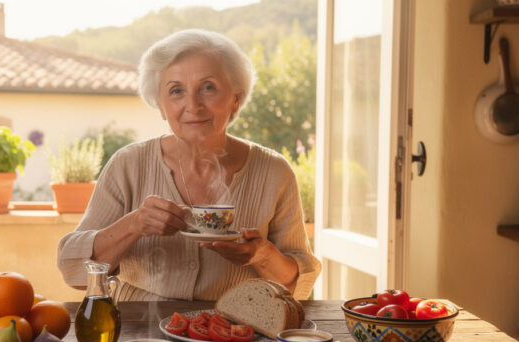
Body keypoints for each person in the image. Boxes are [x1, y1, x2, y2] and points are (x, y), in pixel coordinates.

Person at [57, 29, 321, 300]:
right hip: (138, 333)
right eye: (176, 91)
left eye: (208, 87)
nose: (193, 105)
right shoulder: (128, 164)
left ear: (236, 100)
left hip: (237, 332)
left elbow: (298, 286)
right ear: (160, 106)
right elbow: (72, 268)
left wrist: (262, 255)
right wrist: (133, 225)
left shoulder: (274, 171)